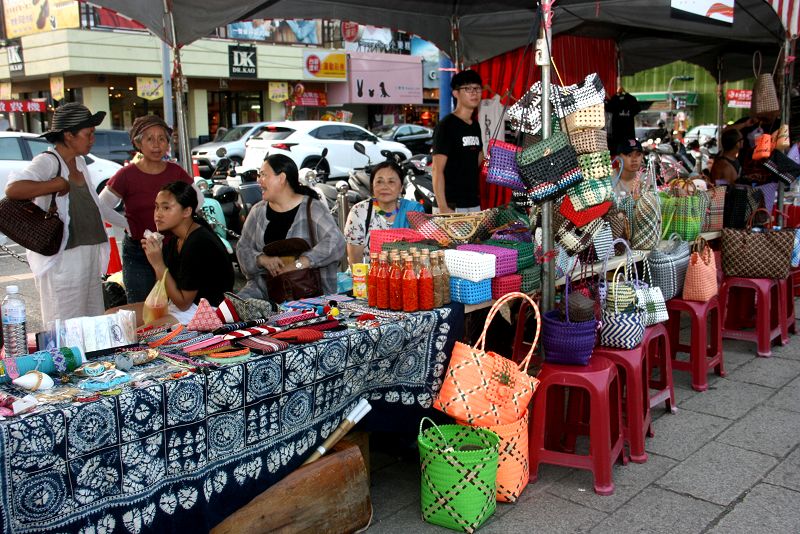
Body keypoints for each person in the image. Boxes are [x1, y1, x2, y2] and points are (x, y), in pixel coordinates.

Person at [5, 103, 123, 324]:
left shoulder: (79, 162)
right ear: (69, 135)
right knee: (64, 323)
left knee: (91, 321)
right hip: (63, 259)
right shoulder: (48, 161)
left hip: (89, 253)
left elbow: (97, 206)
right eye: (88, 134)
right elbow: (14, 189)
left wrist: (129, 224)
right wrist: (54, 184)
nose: (92, 139)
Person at [100, 115, 194, 304]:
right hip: (137, 250)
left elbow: (195, 201)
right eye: (149, 139)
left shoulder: (176, 172)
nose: (156, 145)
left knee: (174, 306)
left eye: (162, 139)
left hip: (172, 248)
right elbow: (101, 206)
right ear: (138, 143)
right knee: (143, 307)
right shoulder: (126, 174)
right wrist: (129, 225)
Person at [237, 154, 345, 299]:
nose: (259, 180)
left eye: (263, 175)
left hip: (312, 297)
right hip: (265, 293)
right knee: (227, 312)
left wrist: (301, 263)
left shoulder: (312, 208)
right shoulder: (258, 211)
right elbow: (243, 248)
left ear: (281, 178)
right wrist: (262, 259)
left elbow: (336, 242)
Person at [138, 181, 233, 324]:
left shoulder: (199, 242)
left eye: (166, 208)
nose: (158, 214)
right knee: (114, 316)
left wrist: (157, 263)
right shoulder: (175, 239)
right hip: (180, 307)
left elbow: (183, 303)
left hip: (207, 313)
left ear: (187, 211)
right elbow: (168, 291)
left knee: (136, 334)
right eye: (157, 207)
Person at [343, 160, 425, 265]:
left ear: (401, 188)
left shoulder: (413, 211)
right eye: (379, 181)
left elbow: (424, 252)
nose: (384, 187)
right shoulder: (360, 212)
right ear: (372, 186)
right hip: (369, 277)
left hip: (407, 277)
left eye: (391, 182)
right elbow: (355, 262)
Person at [431, 69, 484, 213]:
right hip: (450, 204)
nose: (474, 93)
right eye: (467, 89)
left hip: (472, 202)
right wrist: (443, 207)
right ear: (455, 93)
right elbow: (437, 169)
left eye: (477, 88)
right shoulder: (446, 125)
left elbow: (477, 159)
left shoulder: (475, 126)